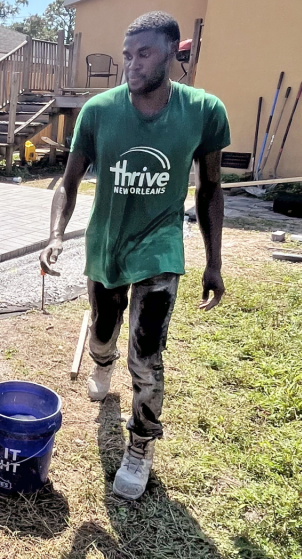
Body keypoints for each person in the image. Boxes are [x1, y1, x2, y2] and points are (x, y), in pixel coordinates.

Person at [39, 11, 229, 500]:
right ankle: (101, 364)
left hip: (160, 248)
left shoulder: (204, 110)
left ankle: (141, 444)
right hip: (106, 246)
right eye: (128, 54)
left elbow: (210, 188)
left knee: (146, 357)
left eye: (144, 53)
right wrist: (56, 234)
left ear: (171, 53)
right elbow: (69, 182)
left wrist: (213, 261)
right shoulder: (98, 111)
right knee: (103, 334)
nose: (132, 63)